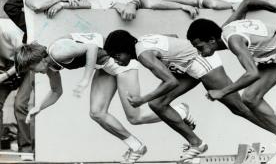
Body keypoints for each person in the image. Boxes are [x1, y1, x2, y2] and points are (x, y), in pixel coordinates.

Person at [14, 32, 195, 163]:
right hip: (104, 67)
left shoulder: (58, 51)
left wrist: (85, 79)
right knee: (97, 113)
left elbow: (91, 48)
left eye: (31, 68)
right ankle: (136, 147)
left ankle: (180, 111)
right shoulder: (50, 65)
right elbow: (56, 91)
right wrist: (39, 107)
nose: (33, 72)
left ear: (39, 60)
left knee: (135, 117)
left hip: (120, 62)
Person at [104, 30, 273, 161]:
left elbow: (171, 82)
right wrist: (178, 57)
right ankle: (196, 144)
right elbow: (173, 36)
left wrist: (142, 99)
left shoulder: (143, 55)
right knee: (157, 104)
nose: (117, 62)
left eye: (117, 56)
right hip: (188, 68)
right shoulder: (142, 40)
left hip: (202, 63)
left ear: (124, 50)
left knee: (239, 108)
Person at [186, 16, 276, 164]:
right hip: (273, 55)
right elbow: (246, 2)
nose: (200, 53)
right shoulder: (224, 29)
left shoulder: (233, 41)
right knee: (249, 97)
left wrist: (222, 92)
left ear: (212, 40)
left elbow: (253, 73)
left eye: (200, 48)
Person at [0, 23, 33, 160]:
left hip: (26, 65)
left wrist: (6, 75)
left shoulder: (9, 30)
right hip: (5, 67)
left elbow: (25, 59)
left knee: (20, 104)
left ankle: (26, 149)